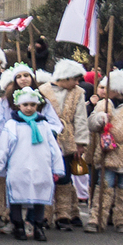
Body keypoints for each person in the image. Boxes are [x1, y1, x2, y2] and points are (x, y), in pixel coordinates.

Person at [0, 87, 64, 241]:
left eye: (32, 105)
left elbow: (53, 147)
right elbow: (3, 147)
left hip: (41, 165)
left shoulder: (44, 125)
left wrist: (57, 167)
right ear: (19, 105)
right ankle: (18, 225)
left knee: (40, 194)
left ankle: (38, 226)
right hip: (19, 166)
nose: (29, 108)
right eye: (25, 104)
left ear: (37, 106)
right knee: (17, 195)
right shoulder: (12, 125)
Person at [40, 58, 89, 230]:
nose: (77, 82)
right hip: (47, 139)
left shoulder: (78, 93)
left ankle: (63, 214)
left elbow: (81, 119)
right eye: (75, 79)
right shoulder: (42, 91)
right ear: (66, 77)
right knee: (47, 177)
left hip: (67, 140)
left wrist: (80, 143)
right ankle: (44, 214)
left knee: (65, 178)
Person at [86, 70, 123, 233]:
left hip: (122, 152)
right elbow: (92, 125)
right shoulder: (103, 104)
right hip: (107, 151)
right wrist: (99, 119)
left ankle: (121, 220)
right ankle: (96, 219)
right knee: (103, 185)